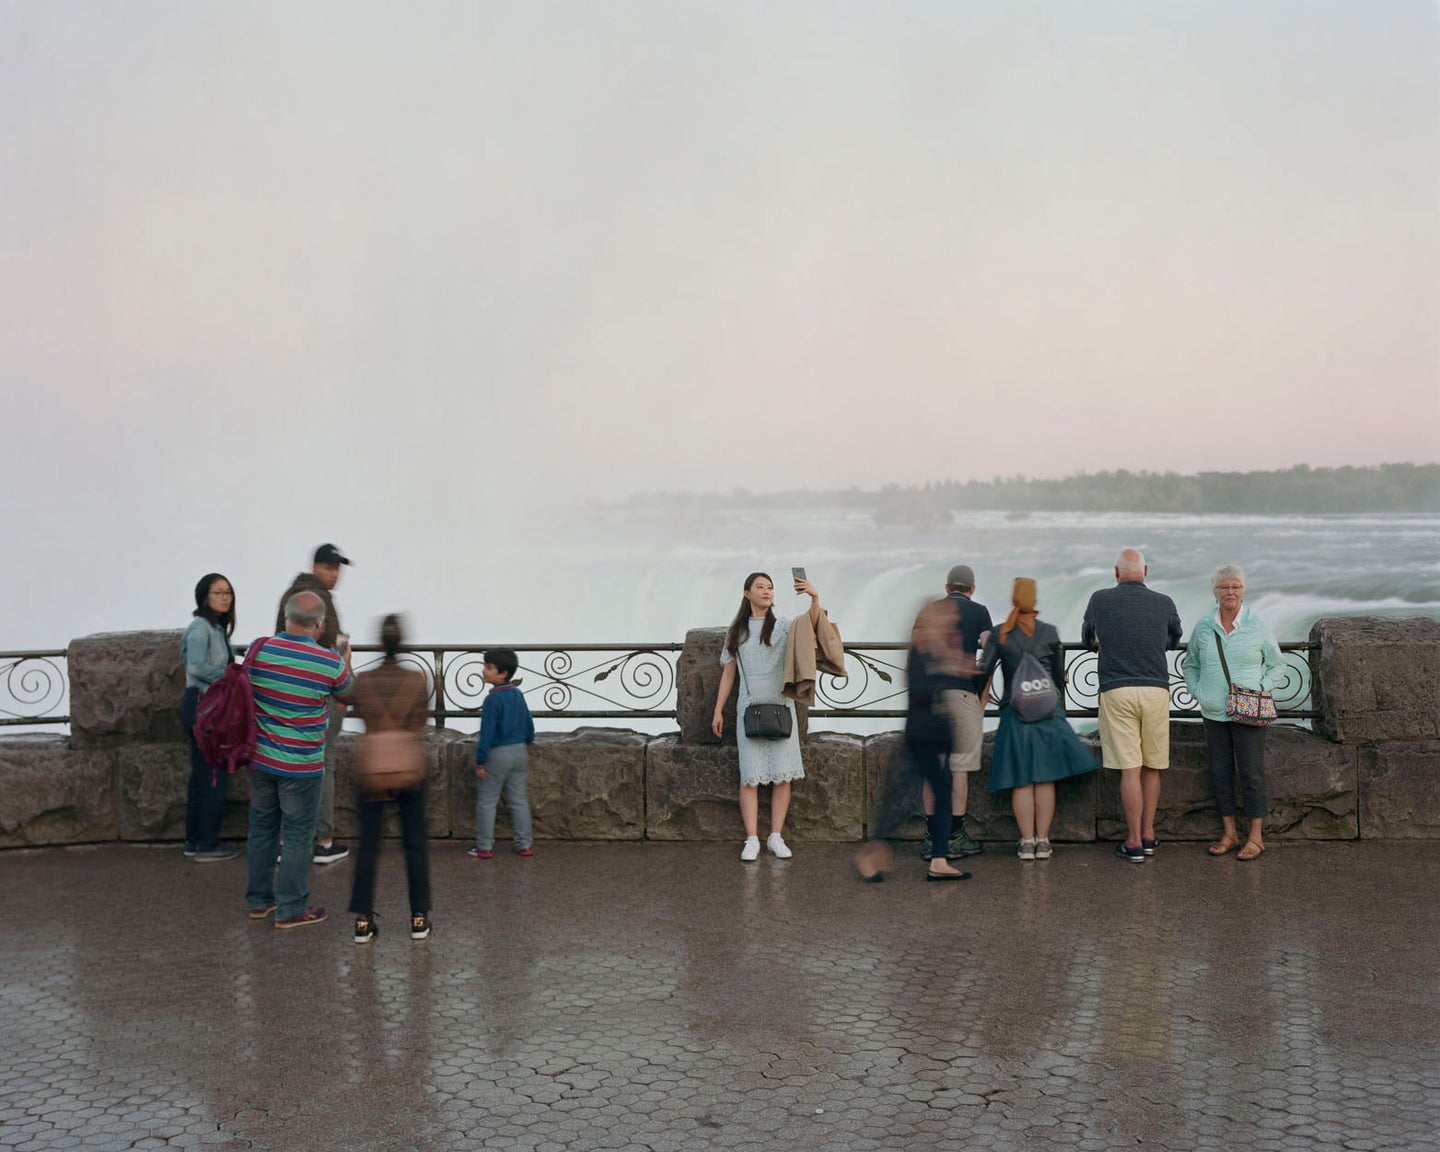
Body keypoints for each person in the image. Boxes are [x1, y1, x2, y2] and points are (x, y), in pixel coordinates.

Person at [245, 590, 354, 929]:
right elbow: (348, 694)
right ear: (319, 624)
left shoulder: (259, 649)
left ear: (285, 617)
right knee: (296, 835)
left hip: (261, 759)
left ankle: (260, 902)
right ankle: (291, 908)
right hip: (302, 764)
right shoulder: (328, 662)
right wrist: (345, 659)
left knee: (262, 829)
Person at [854, 597, 972, 882]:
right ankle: (923, 859)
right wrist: (949, 667)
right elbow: (921, 691)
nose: (952, 618)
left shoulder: (930, 647)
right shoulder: (923, 649)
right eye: (947, 615)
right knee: (908, 798)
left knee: (914, 796)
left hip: (929, 733)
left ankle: (930, 859)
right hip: (924, 734)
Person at [979, 578, 1097, 860]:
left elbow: (984, 669)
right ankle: (1043, 842)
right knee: (1044, 779)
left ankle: (1026, 842)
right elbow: (1058, 677)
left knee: (1021, 780)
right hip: (1046, 711)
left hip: (1014, 712)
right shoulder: (1049, 632)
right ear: (1034, 600)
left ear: (1014, 599)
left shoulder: (1001, 633)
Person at [1081, 548, 1183, 863]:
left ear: (1116, 573)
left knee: (1130, 768)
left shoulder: (1099, 599)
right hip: (1155, 689)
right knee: (1152, 765)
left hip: (1116, 689)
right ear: (1146, 571)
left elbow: (1086, 639)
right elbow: (1173, 640)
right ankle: (1150, 834)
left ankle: (1134, 841)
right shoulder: (1164, 602)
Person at [712, 572, 821, 861]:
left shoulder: (784, 627)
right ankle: (751, 840)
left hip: (781, 705)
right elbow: (729, 672)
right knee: (750, 776)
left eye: (770, 587)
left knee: (782, 776)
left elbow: (813, 628)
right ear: (746, 593)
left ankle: (776, 836)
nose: (766, 591)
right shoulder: (737, 631)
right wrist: (718, 710)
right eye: (759, 587)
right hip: (749, 707)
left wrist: (814, 597)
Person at [1181, 564, 1284, 861]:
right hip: (1213, 711)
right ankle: (1229, 833)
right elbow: (1190, 665)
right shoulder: (1203, 626)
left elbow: (1278, 663)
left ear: (1243, 590)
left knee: (1251, 773)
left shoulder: (1257, 624)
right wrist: (1198, 691)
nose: (1230, 592)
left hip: (1249, 711)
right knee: (1220, 773)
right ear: (1214, 591)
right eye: (1224, 586)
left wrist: (1262, 687)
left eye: (1236, 586)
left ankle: (1256, 837)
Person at [349, 615, 433, 942]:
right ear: (403, 643)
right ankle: (418, 917)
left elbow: (357, 714)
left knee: (368, 846)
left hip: (371, 767)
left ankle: (362, 920)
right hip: (408, 767)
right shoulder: (416, 680)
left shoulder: (364, 679)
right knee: (414, 844)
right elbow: (421, 721)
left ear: (380, 643)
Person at [275, 543, 352, 866]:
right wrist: (343, 671)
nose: (336, 575)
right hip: (319, 695)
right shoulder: (319, 597)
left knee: (287, 760)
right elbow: (329, 648)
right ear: (317, 567)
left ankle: (285, 840)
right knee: (323, 762)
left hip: (288, 693)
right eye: (331, 568)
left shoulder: (292, 594)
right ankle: (322, 840)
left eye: (338, 570)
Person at [923, 564, 992, 860]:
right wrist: (983, 696)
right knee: (959, 767)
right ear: (972, 589)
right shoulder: (980, 612)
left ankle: (930, 836)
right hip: (963, 693)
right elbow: (989, 655)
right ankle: (954, 835)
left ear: (947, 587)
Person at [179, 573, 240, 862]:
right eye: (218, 592)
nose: (225, 597)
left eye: (228, 592)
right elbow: (196, 667)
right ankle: (206, 843)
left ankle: (194, 841)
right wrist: (230, 677)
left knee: (202, 777)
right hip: (205, 707)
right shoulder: (200, 628)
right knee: (214, 775)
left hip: (204, 707)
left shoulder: (217, 630)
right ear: (204, 597)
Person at [468, 648, 536, 860]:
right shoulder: (517, 693)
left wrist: (480, 761)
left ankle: (484, 847)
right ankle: (524, 844)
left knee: (487, 800)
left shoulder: (491, 700)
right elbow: (528, 724)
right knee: (519, 800)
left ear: (502, 673)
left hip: (498, 754)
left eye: (489, 667)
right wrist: (528, 740)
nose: (484, 670)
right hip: (519, 752)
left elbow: (486, 735)